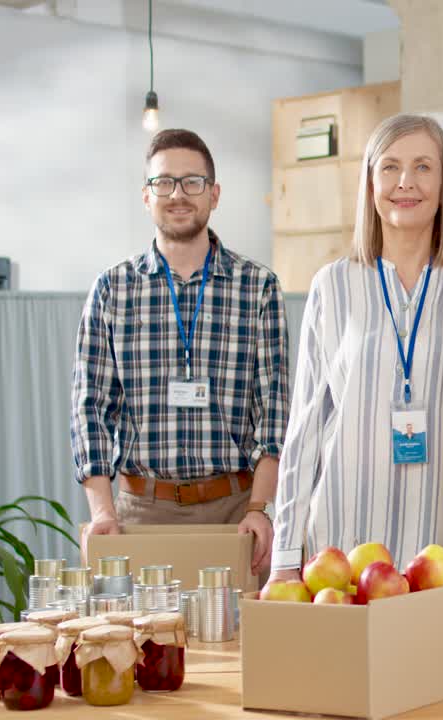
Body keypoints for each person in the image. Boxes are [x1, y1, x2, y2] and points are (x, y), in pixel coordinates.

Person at [267, 115, 443, 634]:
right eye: (390, 167)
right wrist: (284, 556)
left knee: (441, 684)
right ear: (370, 182)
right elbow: (305, 428)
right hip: (342, 551)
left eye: (423, 167)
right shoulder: (333, 285)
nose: (406, 182)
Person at [71, 129, 288, 574]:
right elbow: (89, 407)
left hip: (237, 513)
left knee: (240, 622)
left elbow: (275, 410)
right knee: (138, 624)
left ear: (214, 194)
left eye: (193, 182)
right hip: (138, 514)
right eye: (164, 182)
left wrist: (260, 509)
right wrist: (102, 511)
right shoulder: (113, 289)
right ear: (146, 196)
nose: (178, 194)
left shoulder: (258, 287)